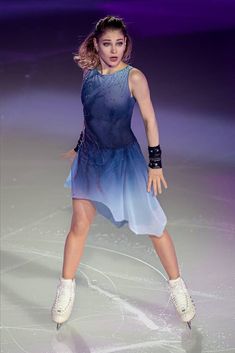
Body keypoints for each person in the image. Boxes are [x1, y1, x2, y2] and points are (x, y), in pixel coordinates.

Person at [51, 15, 196, 331]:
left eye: (119, 43)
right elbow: (91, 119)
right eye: (107, 43)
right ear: (96, 44)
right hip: (90, 160)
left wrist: (155, 162)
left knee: (154, 225)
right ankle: (65, 288)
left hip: (124, 162)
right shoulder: (88, 77)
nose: (114, 49)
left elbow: (149, 121)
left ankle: (178, 287)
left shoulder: (134, 78)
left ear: (126, 44)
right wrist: (78, 147)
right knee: (79, 224)